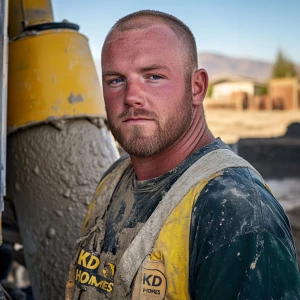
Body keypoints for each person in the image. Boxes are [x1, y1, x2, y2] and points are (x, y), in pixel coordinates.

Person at [65, 10, 300, 300]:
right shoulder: (113, 180)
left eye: (153, 76)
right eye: (115, 80)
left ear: (197, 87)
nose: (131, 97)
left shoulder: (236, 210)